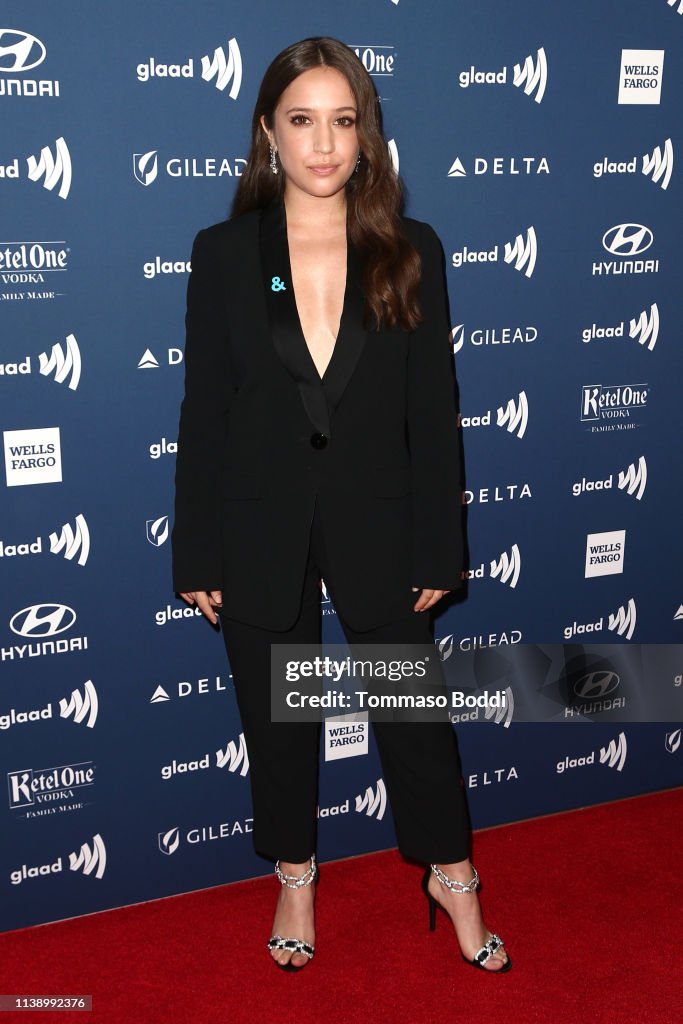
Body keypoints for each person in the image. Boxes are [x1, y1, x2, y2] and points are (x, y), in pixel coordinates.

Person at [171, 36, 511, 975]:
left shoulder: (409, 249)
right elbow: (203, 408)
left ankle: (453, 874)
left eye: (344, 119)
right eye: (301, 120)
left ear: (365, 134)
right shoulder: (229, 254)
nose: (324, 143)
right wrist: (195, 552)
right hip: (255, 523)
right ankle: (294, 873)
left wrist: (440, 550)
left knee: (414, 721)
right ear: (267, 134)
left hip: (383, 523)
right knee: (277, 725)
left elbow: (433, 416)